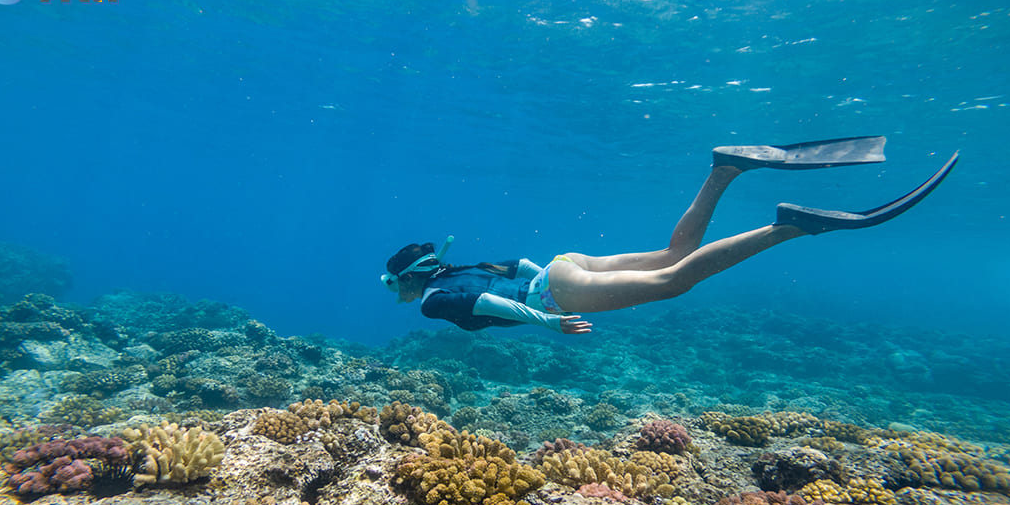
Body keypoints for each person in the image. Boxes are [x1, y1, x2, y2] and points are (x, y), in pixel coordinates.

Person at [381, 137, 957, 335]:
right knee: (672, 252)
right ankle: (725, 167)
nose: (399, 296)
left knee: (674, 280)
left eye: (394, 287)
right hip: (560, 266)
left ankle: (789, 226)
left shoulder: (433, 299)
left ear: (409, 280)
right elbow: (515, 263)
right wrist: (546, 282)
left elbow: (484, 302)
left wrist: (549, 319)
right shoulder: (449, 272)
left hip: (556, 296)